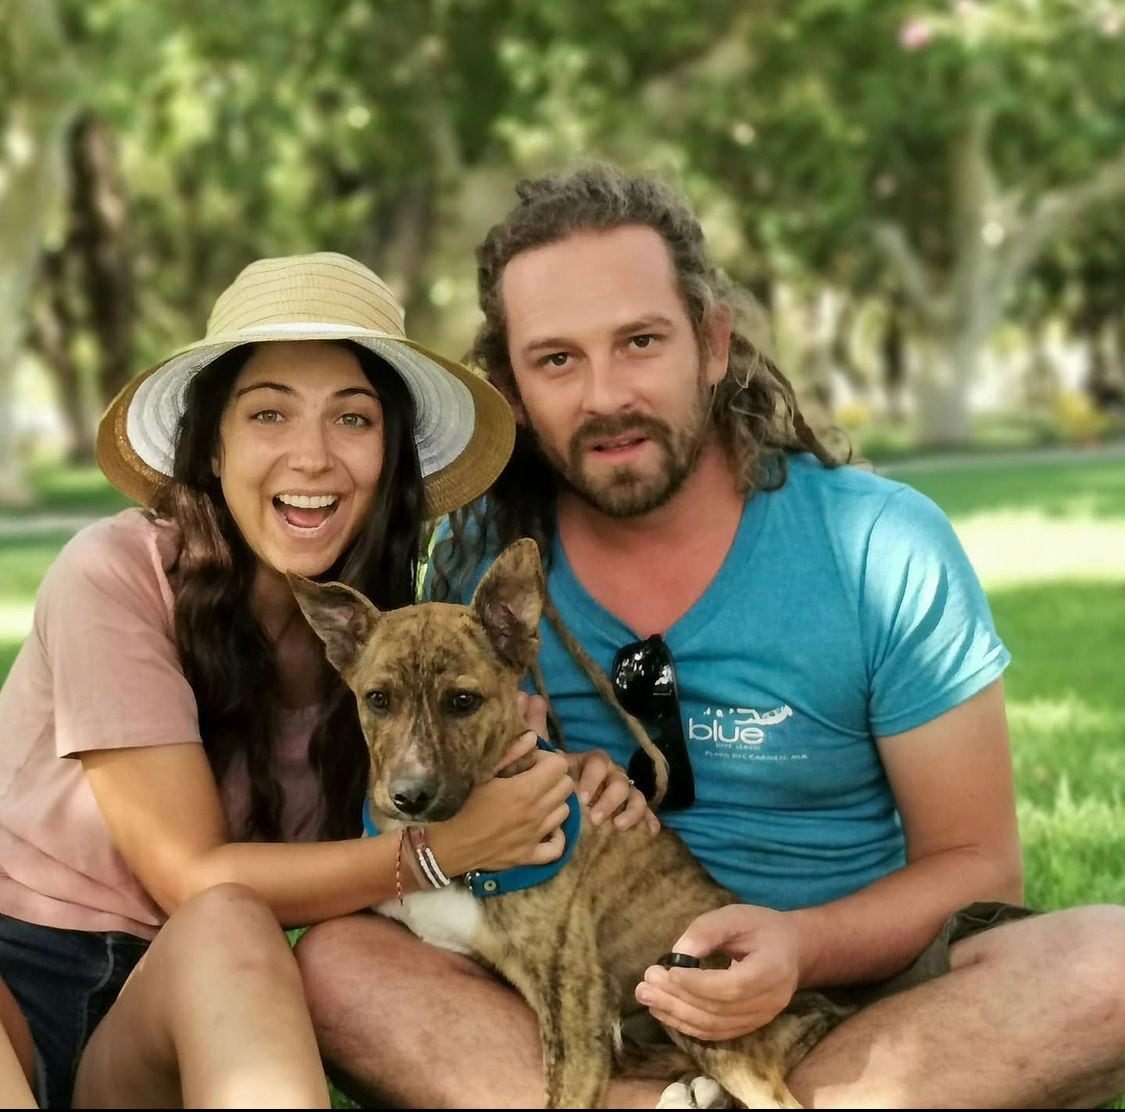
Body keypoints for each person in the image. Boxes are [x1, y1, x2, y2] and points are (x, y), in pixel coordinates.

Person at [294, 170, 1125, 1109]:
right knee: (339, 965)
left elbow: (978, 865)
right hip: (564, 992)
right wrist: (534, 770)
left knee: (1110, 969)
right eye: (557, 360)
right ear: (513, 391)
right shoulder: (485, 561)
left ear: (713, 341)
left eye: (640, 341)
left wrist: (797, 946)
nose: (606, 395)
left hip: (856, 999)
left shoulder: (880, 546)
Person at [0, 251, 646, 1107]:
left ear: (392, 453)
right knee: (219, 906)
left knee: (228, 926)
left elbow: (479, 767)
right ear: (213, 445)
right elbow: (188, 872)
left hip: (196, 1003)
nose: (311, 457)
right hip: (22, 974)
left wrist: (556, 789)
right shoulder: (113, 575)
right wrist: (439, 853)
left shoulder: (384, 638)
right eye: (269, 414)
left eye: (352, 419)